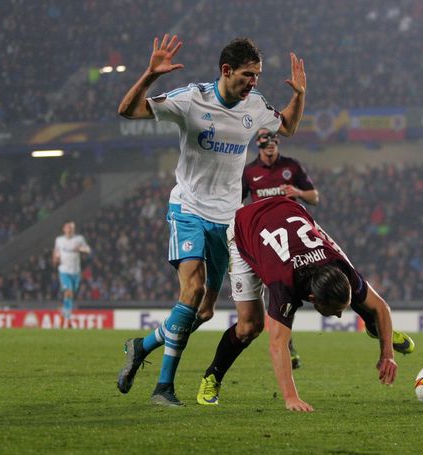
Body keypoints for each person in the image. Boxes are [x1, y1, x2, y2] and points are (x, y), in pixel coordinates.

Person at [115, 34, 306, 407]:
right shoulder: (192, 99)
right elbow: (128, 110)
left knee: (202, 310)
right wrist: (150, 75)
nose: (254, 82)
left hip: (227, 221)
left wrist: (298, 94)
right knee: (192, 290)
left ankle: (143, 345)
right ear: (226, 70)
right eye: (248, 75)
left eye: (258, 75)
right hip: (188, 209)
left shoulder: (255, 105)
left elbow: (288, 127)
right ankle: (163, 388)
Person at [195, 197, 415, 412]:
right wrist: (291, 398)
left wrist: (387, 355)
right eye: (336, 312)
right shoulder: (284, 285)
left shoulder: (339, 266)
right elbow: (277, 344)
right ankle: (213, 375)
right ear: (312, 298)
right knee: (249, 327)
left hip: (290, 210)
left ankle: (375, 327)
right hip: (246, 227)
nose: (339, 316)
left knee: (362, 298)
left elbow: (381, 307)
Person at [241, 128, 320, 369]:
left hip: (294, 235)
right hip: (266, 239)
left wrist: (297, 192)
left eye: (275, 140)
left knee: (298, 286)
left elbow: (314, 197)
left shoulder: (291, 167)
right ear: (258, 145)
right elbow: (236, 201)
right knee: (279, 291)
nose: (271, 143)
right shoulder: (249, 172)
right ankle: (288, 344)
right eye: (266, 140)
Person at [52, 221, 91, 325]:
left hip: (76, 272)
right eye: (67, 228)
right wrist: (55, 259)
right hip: (64, 271)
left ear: (73, 230)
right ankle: (67, 317)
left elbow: (88, 249)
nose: (69, 230)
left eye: (71, 228)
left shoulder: (79, 239)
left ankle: (65, 310)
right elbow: (56, 251)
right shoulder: (59, 240)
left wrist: (80, 248)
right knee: (68, 291)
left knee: (71, 294)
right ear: (64, 229)